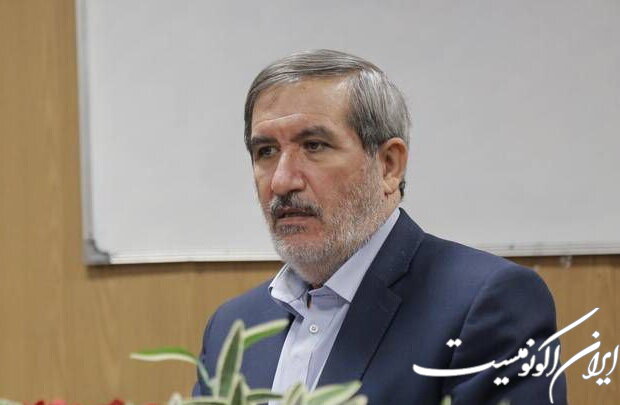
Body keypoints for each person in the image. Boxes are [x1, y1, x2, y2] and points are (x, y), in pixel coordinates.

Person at [192, 49, 567, 404]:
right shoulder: (234, 325)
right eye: (266, 152)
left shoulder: (485, 304)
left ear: (389, 165)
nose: (282, 181)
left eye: (314, 146)